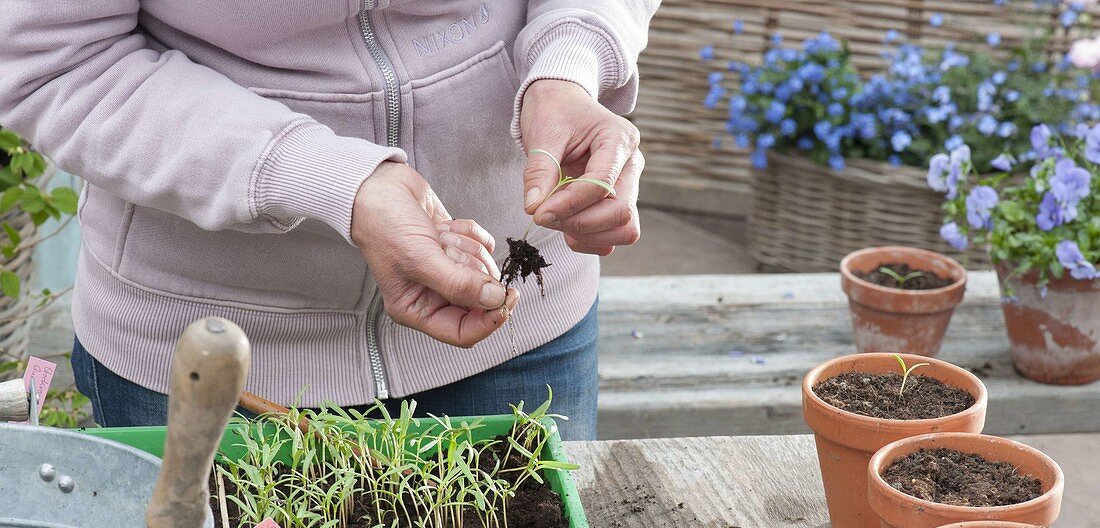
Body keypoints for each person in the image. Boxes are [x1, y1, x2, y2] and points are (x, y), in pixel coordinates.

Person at [0, 1, 659, 439]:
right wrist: (331, 181)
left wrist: (569, 63)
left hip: (519, 334)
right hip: (215, 359)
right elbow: (55, 59)